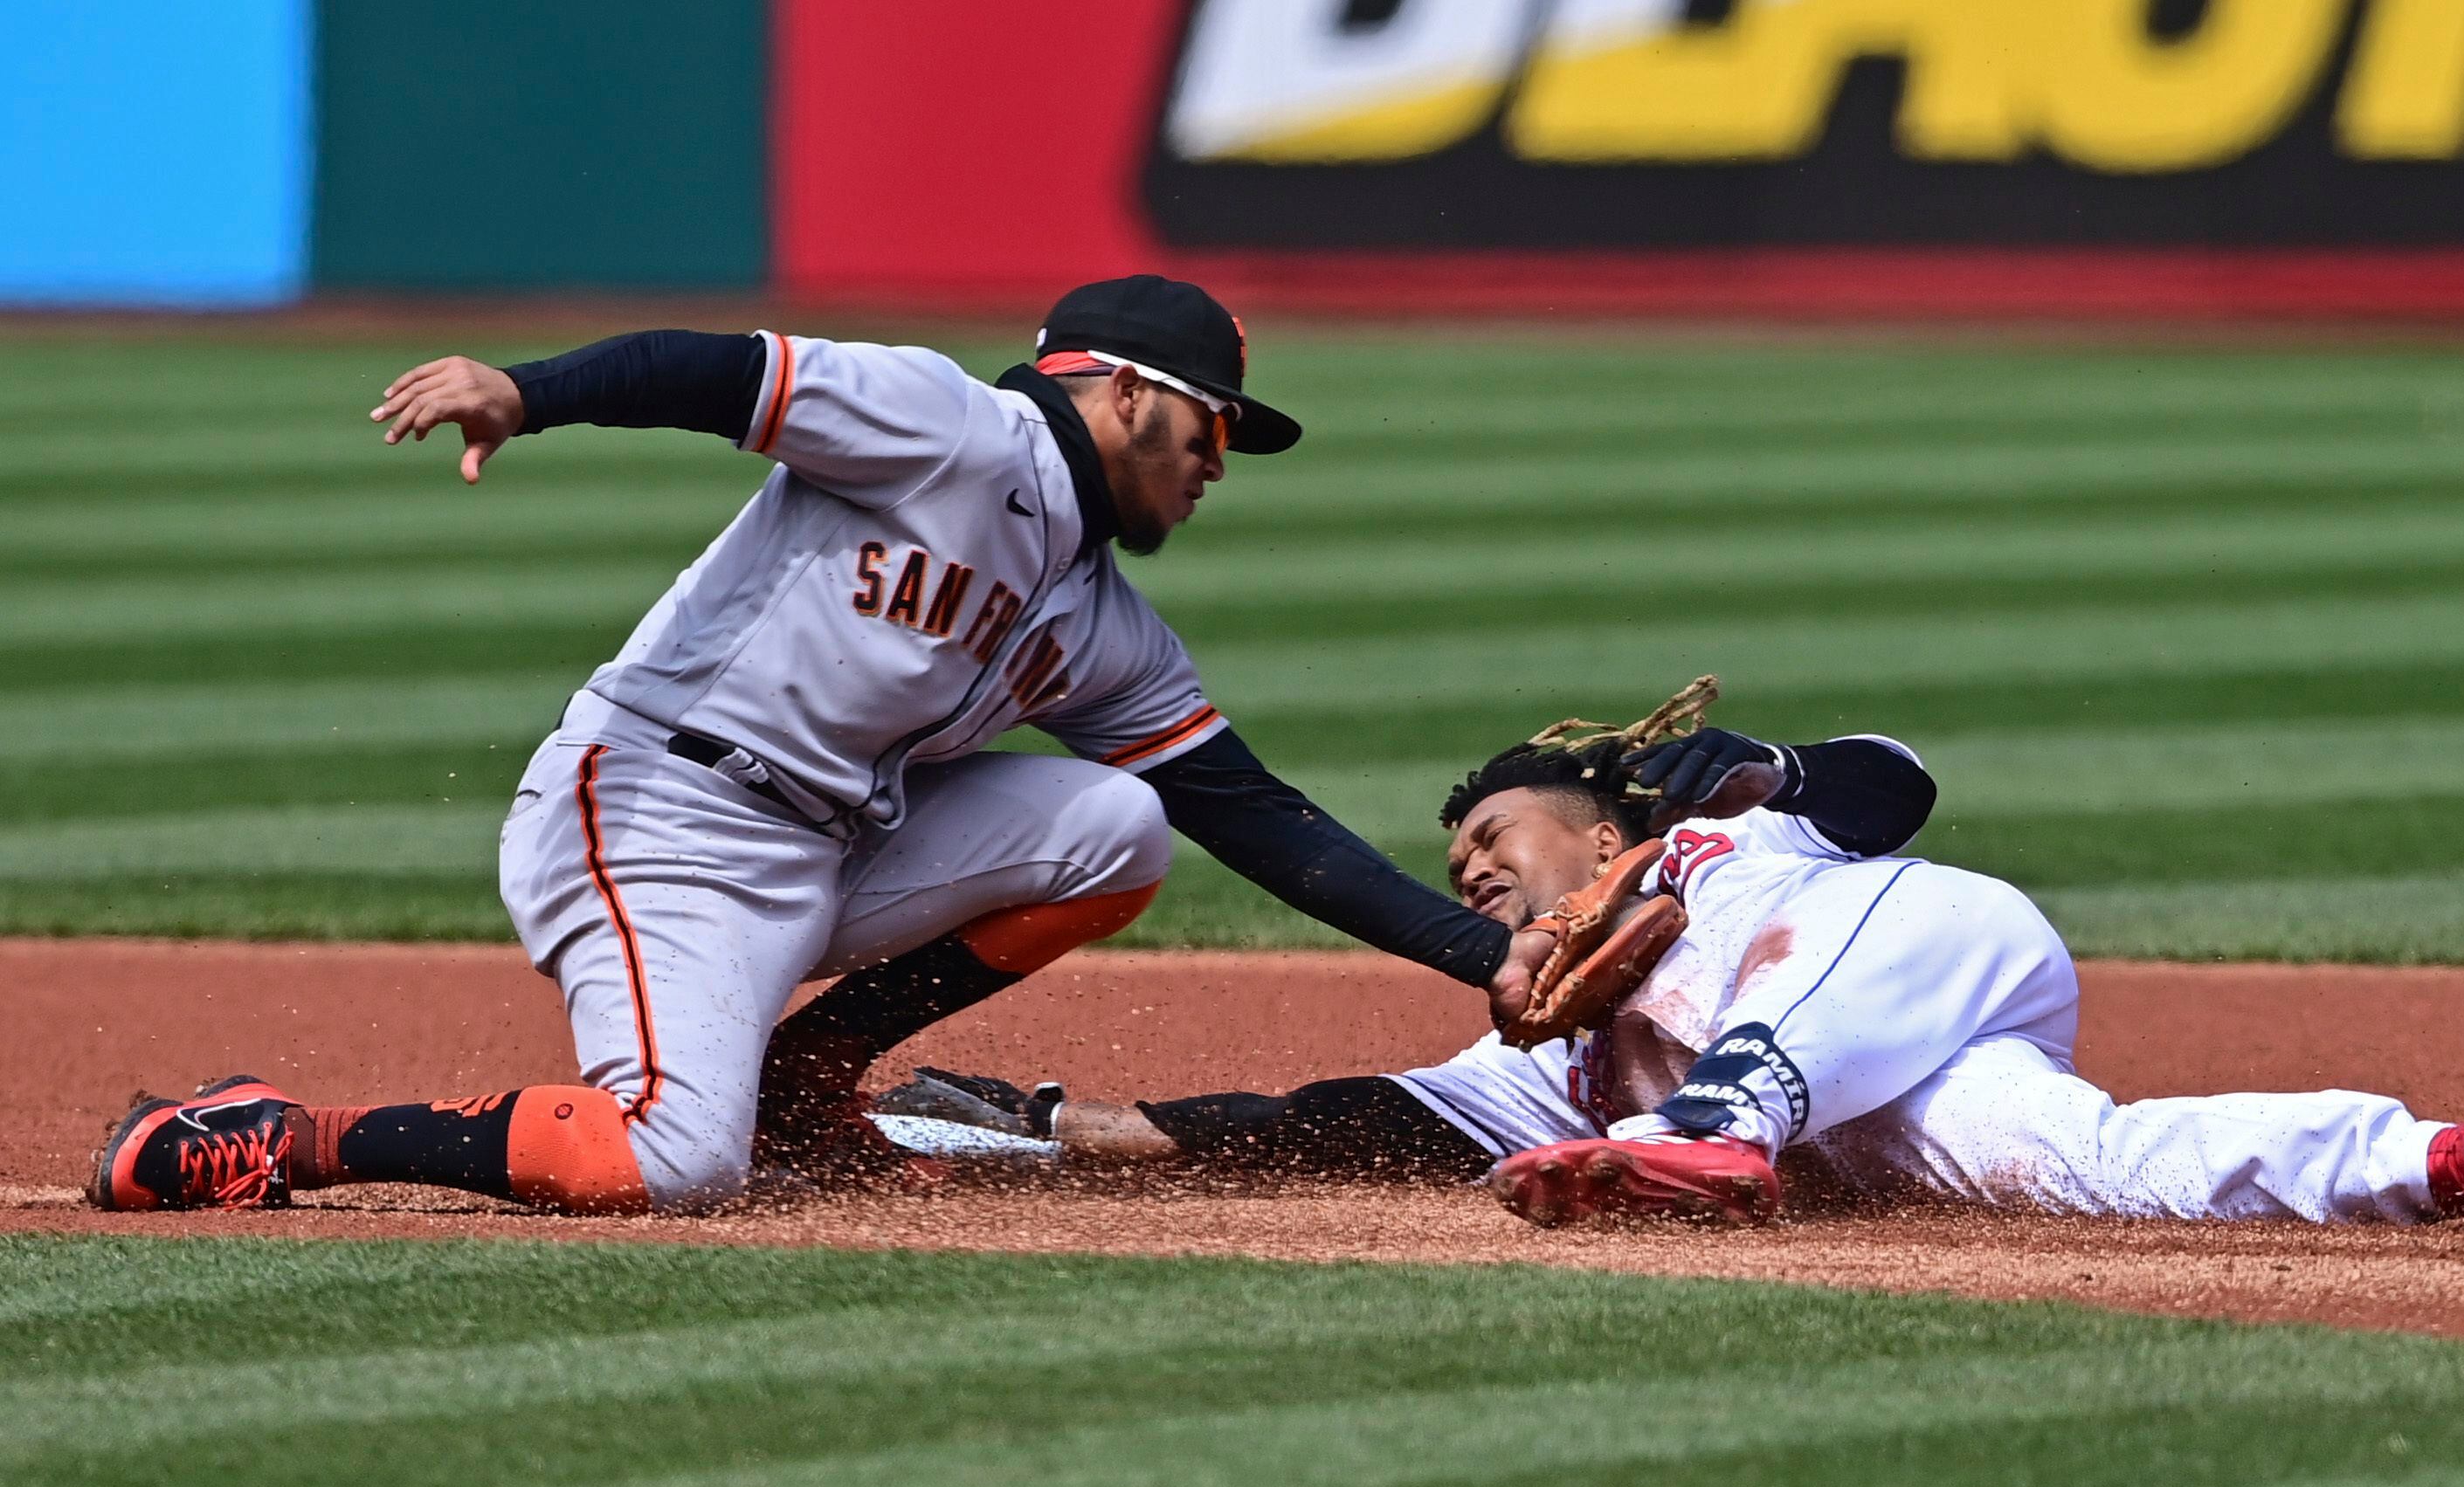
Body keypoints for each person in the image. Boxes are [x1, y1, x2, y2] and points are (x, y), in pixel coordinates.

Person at [93, 276, 1546, 1216]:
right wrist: (528, 391)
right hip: (659, 812)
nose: (1217, 466)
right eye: (1209, 430)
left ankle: (810, 1071)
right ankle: (279, 1133)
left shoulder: (1104, 627)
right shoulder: (946, 424)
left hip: (830, 847)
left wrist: (1486, 958)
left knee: (1124, 828)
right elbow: (718, 370)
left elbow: (1254, 814)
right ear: (1121, 393)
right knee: (670, 1161)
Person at [889, 688, 2464, 1228]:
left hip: (1924, 950)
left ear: (1599, 839)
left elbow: (1889, 782)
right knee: (2075, 1163)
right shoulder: (1545, 1038)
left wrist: (1757, 776)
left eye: (1500, 844)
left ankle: (1714, 1135)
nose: (1473, 874)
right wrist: (1059, 1129)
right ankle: (2416, 1156)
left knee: (1767, 998)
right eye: (1458, 868)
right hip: (1853, 1096)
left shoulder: (1714, 844)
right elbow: (1341, 1114)